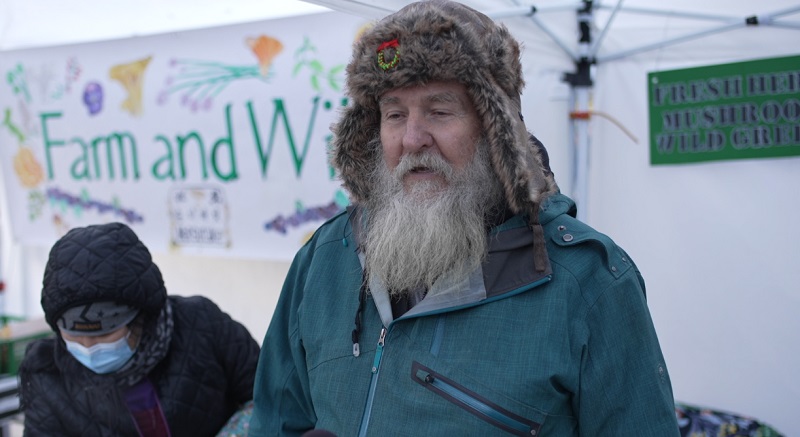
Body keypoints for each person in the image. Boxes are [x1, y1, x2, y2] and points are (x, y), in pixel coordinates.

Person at [251, 0, 679, 435]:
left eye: (439, 111)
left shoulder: (589, 283)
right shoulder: (324, 260)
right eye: (395, 114)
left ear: (497, 130)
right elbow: (276, 423)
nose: (413, 138)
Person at [18, 222, 260, 436]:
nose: (88, 347)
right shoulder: (46, 374)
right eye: (73, 336)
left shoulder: (201, 324)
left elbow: (269, 392)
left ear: (141, 318)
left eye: (104, 334)